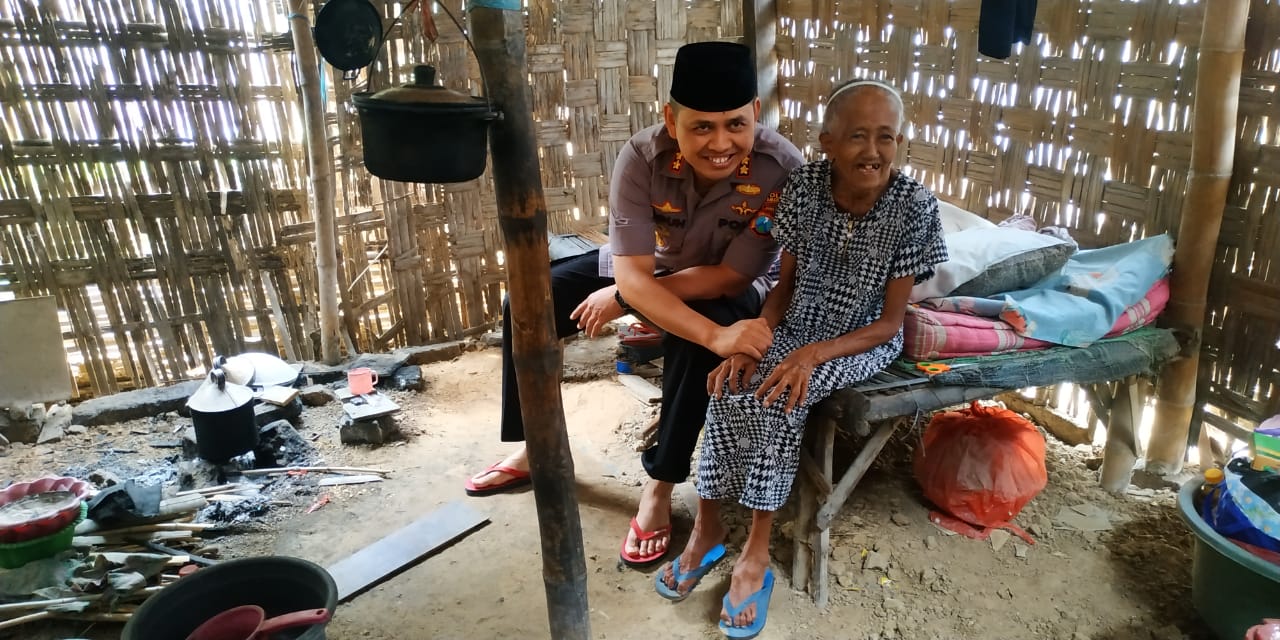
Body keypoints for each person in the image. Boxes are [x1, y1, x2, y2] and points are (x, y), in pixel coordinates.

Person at [464, 41, 806, 568]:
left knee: (701, 336)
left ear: (755, 113)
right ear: (671, 119)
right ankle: (537, 446)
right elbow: (634, 271)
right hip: (647, 268)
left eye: (735, 125)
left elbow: (730, 276)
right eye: (701, 127)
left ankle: (660, 484)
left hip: (728, 285)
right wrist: (629, 292)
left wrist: (633, 301)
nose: (721, 143)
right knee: (529, 301)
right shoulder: (642, 157)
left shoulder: (781, 167)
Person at [654, 80, 948, 638]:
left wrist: (810, 356)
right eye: (857, 136)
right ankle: (709, 529)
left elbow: (889, 324)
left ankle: (756, 553)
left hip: (861, 338)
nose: (873, 151)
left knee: (779, 397)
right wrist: (758, 336)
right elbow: (784, 287)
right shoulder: (806, 187)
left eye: (886, 137)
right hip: (796, 323)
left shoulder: (914, 207)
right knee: (729, 383)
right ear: (827, 142)